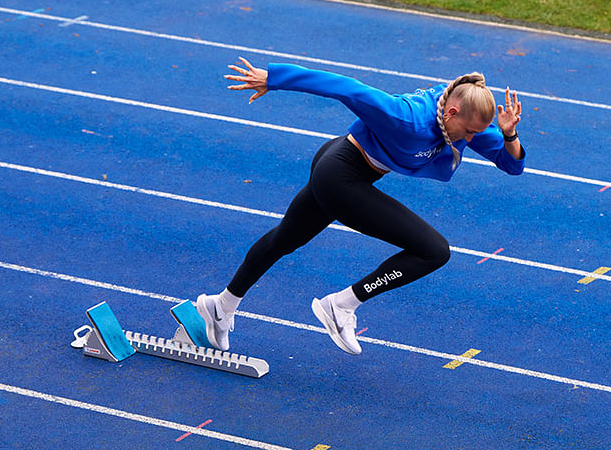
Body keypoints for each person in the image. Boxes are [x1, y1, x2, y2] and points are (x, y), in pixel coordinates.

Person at [196, 57, 525, 355]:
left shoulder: (463, 123)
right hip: (340, 174)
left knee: (284, 239)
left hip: (347, 170)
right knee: (433, 251)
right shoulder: (405, 116)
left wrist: (508, 136)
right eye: (469, 133)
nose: (471, 141)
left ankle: (221, 306)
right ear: (452, 113)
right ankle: (341, 305)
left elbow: (510, 164)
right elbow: (344, 88)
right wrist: (273, 78)